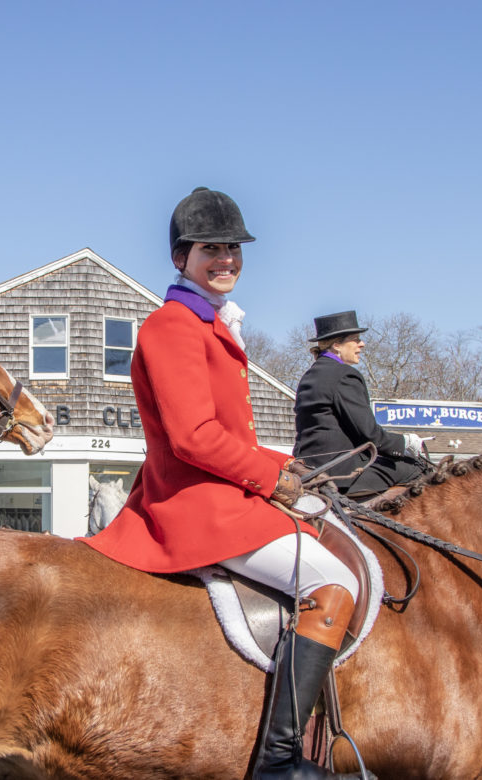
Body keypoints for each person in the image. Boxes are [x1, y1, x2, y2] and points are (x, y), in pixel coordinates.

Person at [84, 188, 368, 780]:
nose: (227, 259)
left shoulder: (207, 322)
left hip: (224, 492)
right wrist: (269, 475)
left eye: (234, 248)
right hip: (197, 507)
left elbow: (229, 431)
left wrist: (286, 465)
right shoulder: (173, 325)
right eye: (212, 248)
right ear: (181, 257)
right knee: (335, 582)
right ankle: (278, 758)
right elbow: (192, 436)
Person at [292, 311, 431, 497]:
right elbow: (370, 435)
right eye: (356, 340)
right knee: (418, 469)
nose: (362, 344)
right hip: (340, 471)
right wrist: (406, 443)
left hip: (308, 467)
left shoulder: (310, 375)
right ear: (336, 345)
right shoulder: (344, 375)